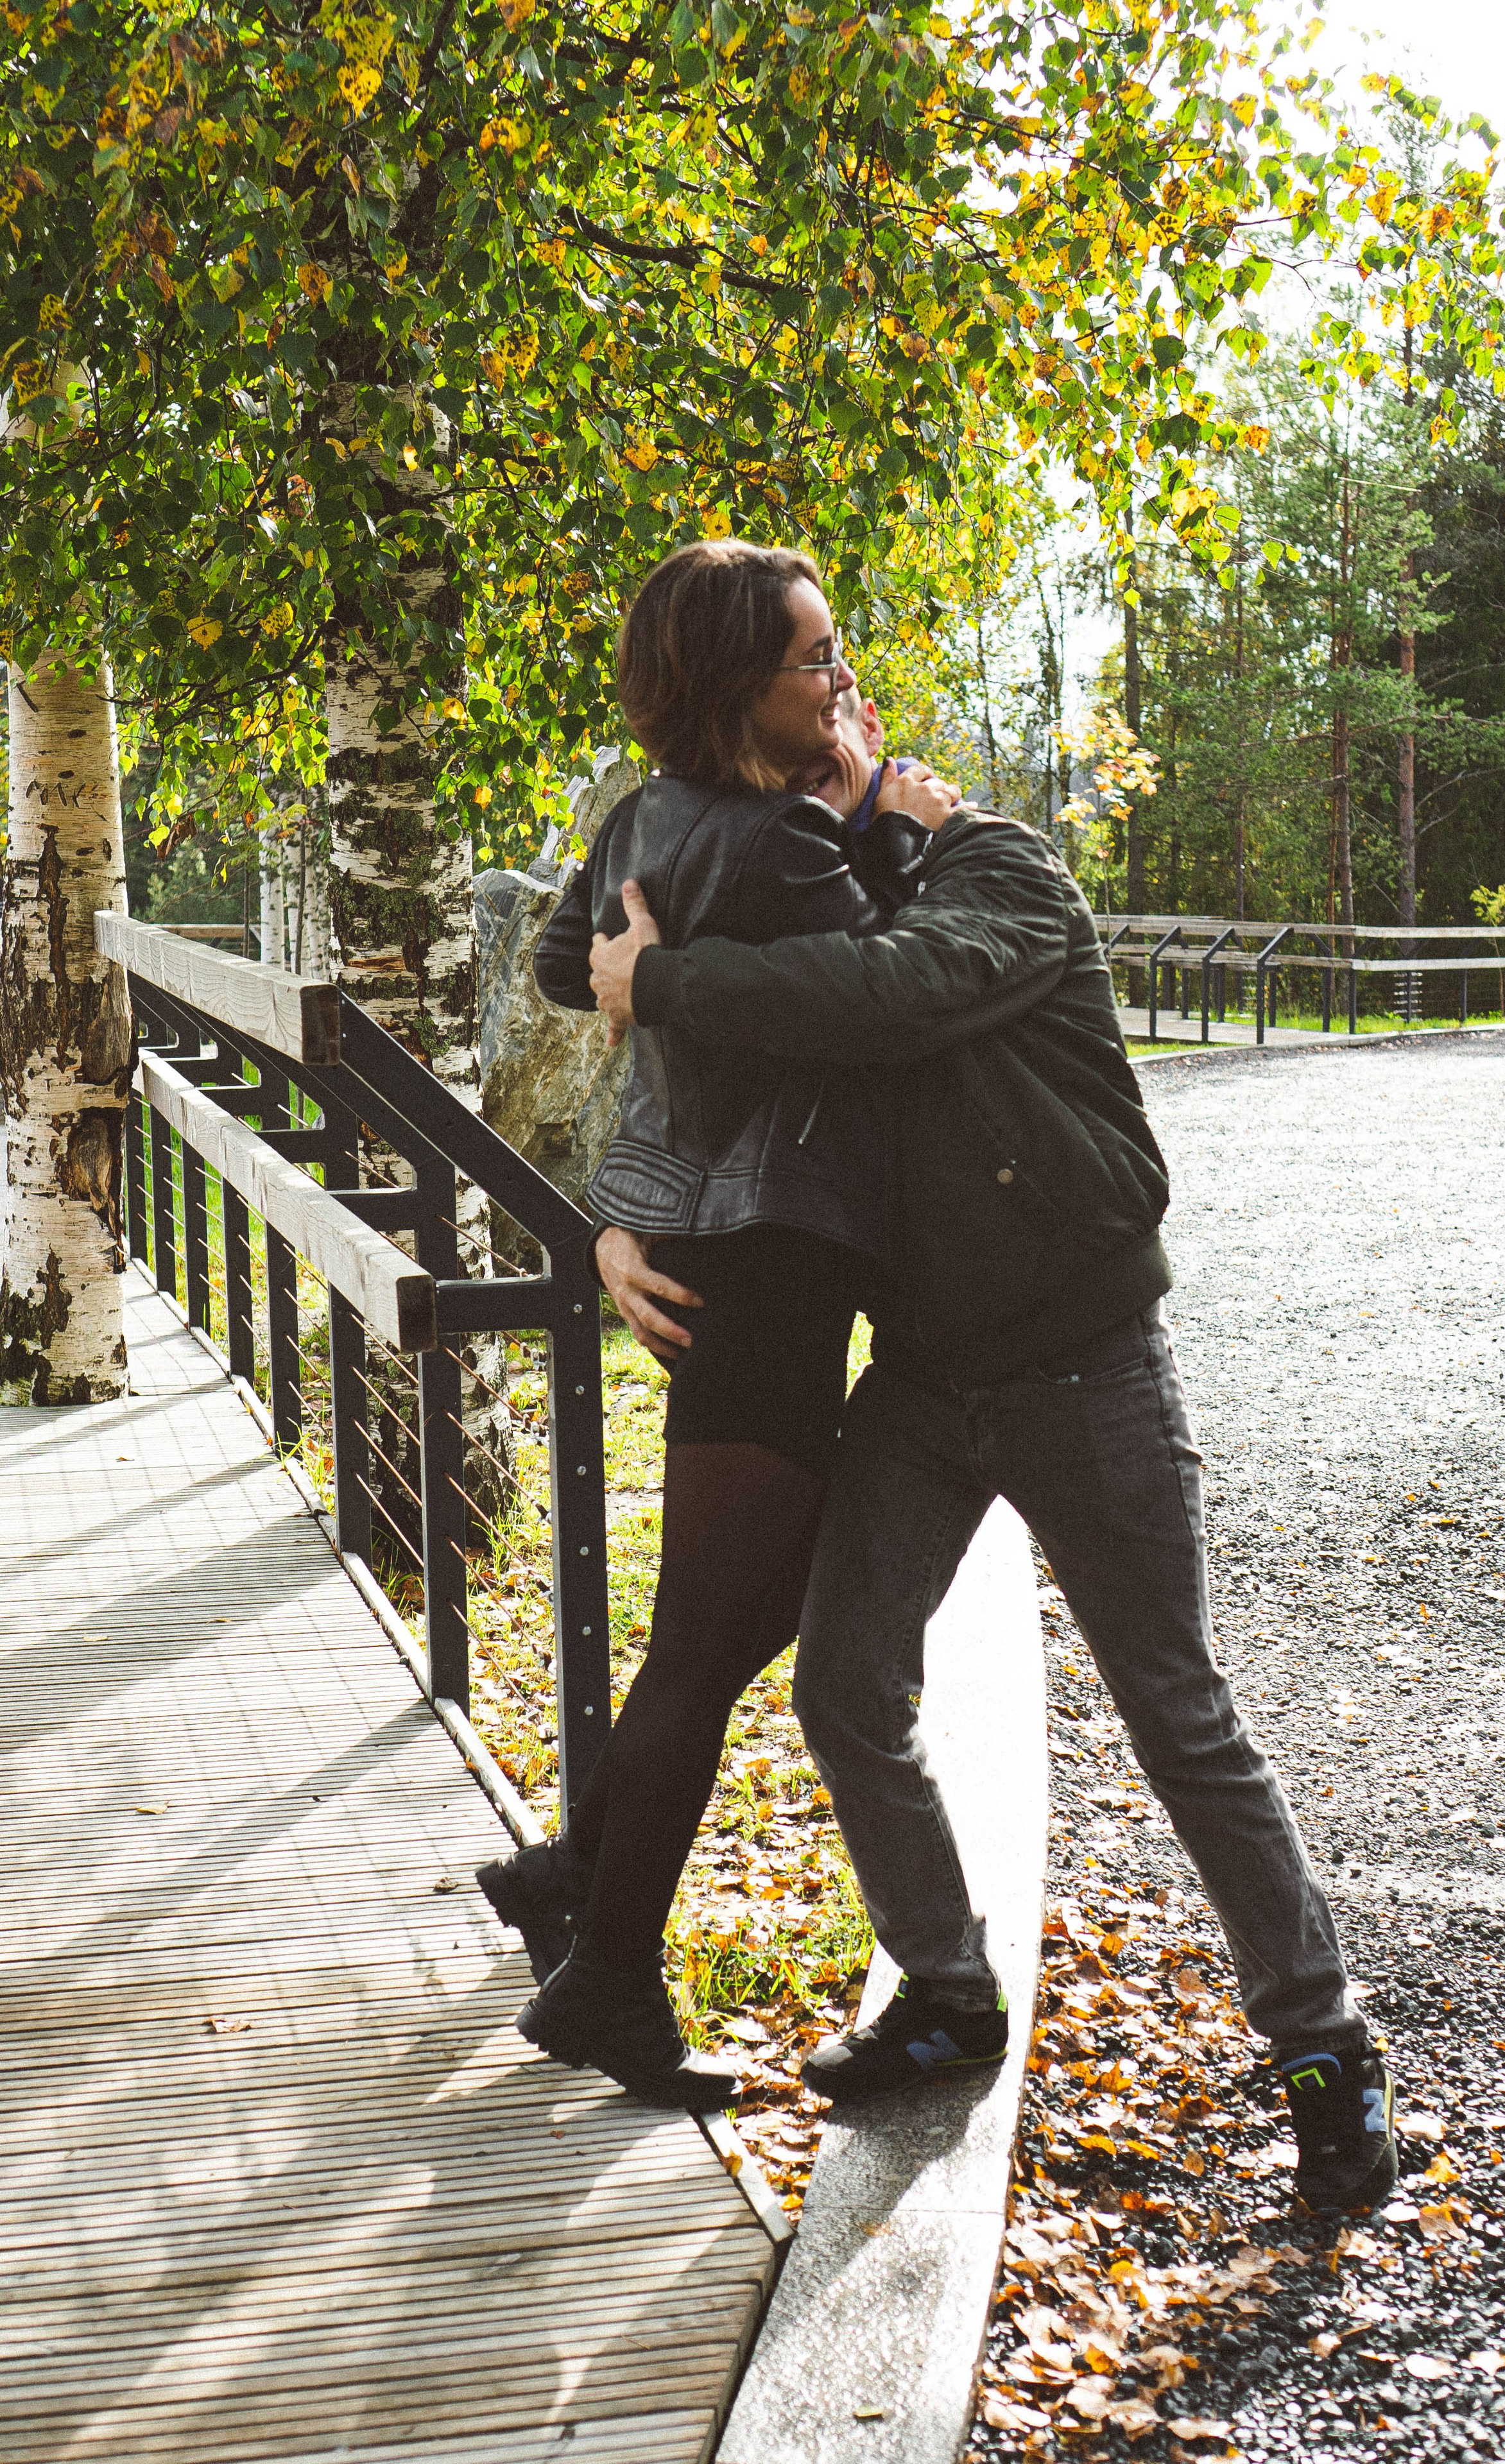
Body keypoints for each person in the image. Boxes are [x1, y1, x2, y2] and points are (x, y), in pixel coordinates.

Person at [587, 795, 1399, 2214]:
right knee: (844, 1684)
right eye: (816, 692)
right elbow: (696, 1085)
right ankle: (949, 1992)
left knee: (1175, 1712)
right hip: (919, 1378)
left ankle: (1325, 2047)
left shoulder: (992, 866)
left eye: (851, 691)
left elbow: (899, 990)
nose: (839, 715)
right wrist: (616, 1217)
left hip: (1081, 1363)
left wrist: (660, 974)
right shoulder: (804, 904)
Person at [475, 536, 952, 2111]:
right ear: (738, 682)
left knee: (753, 1611)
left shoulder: (645, 815)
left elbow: (571, 967)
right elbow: (894, 993)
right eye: (815, 658)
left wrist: (671, 969)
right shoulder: (783, 838)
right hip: (769, 1260)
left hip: (713, 1244)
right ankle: (608, 1977)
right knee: (701, 1641)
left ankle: (572, 1873)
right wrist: (886, 823)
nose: (841, 679)